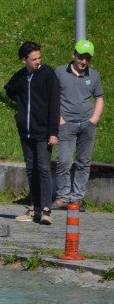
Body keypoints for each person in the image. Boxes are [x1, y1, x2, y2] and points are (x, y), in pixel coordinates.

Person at [3, 41, 60, 225]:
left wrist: (53, 132)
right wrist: (20, 109)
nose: (38, 62)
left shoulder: (47, 74)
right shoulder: (20, 77)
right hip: (25, 132)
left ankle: (46, 209)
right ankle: (34, 208)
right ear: (23, 60)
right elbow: (9, 90)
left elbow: (54, 104)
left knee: (43, 168)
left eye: (39, 58)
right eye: (33, 59)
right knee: (31, 169)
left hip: (43, 132)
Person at [54, 39, 104, 210]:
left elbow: (99, 97)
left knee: (83, 162)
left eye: (87, 59)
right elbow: (52, 98)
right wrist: (59, 119)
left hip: (87, 125)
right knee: (64, 161)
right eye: (81, 57)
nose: (83, 62)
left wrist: (94, 119)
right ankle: (62, 197)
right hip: (66, 123)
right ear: (73, 55)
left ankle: (76, 199)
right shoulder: (60, 72)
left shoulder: (93, 75)